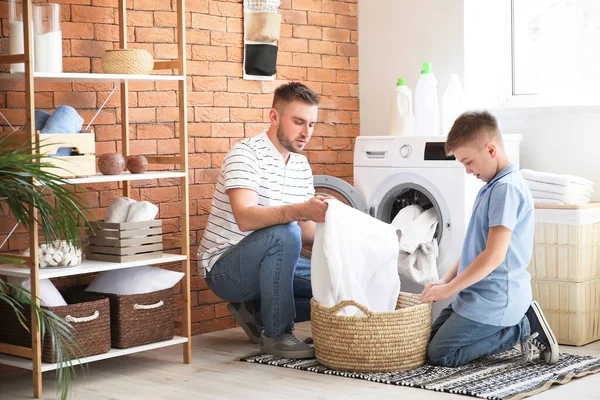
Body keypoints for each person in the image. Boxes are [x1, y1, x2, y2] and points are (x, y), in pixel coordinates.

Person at [198, 82, 327, 359]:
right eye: (298, 122)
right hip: (226, 270)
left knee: (331, 279)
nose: (306, 133)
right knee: (284, 232)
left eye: (312, 125)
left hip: (270, 261)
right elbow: (245, 218)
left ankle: (256, 311)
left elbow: (306, 230)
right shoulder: (245, 155)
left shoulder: (300, 164)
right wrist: (300, 209)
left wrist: (347, 238)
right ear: (274, 117)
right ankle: (277, 334)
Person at [420, 110, 559, 367]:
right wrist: (444, 281)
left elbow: (494, 256)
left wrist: (450, 289)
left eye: (468, 162)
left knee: (440, 354)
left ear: (491, 150)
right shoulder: (490, 188)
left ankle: (523, 326)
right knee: (429, 342)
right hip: (477, 295)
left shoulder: (505, 189)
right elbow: (474, 250)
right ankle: (515, 323)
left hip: (495, 299)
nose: (467, 170)